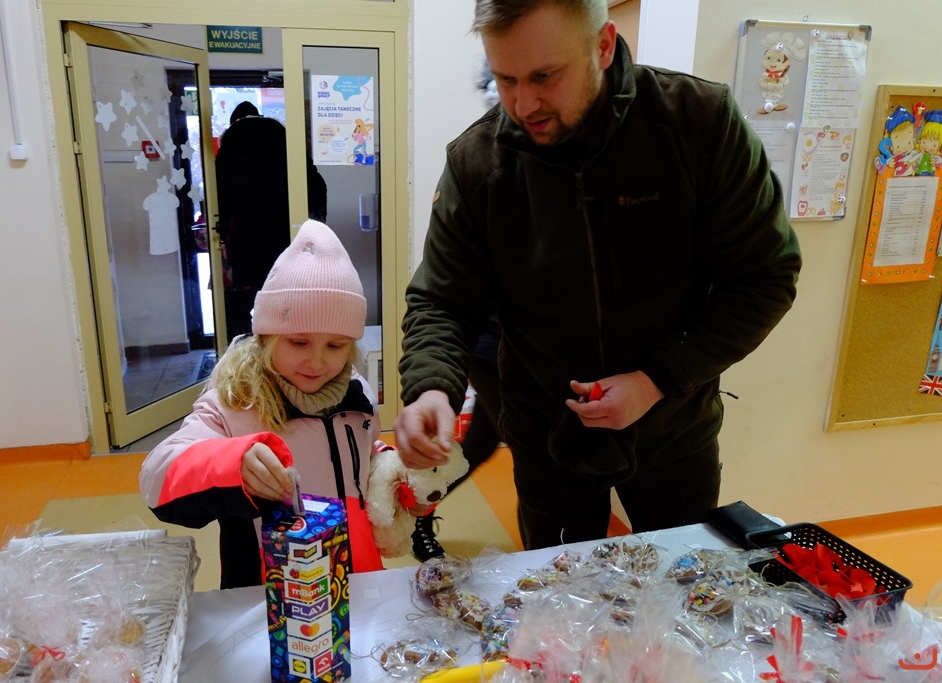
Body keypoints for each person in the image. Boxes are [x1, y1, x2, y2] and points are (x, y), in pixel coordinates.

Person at [394, 0, 802, 552]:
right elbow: (443, 301)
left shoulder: (699, 123)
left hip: (673, 431)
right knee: (554, 592)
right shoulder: (478, 163)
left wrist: (656, 380)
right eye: (505, 79)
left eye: (545, 76)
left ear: (604, 46)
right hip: (546, 437)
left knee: (681, 582)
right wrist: (430, 388)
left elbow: (765, 276)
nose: (523, 104)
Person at [140, 219, 389, 589]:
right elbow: (156, 477)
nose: (317, 361)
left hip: (355, 582)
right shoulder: (233, 402)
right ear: (267, 337)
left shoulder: (358, 394)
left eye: (335, 346)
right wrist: (232, 464)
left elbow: (363, 457)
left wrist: (389, 468)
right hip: (267, 594)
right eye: (299, 343)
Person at [215, 102, 328, 338]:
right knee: (287, 296)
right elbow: (317, 185)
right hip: (286, 234)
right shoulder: (287, 144)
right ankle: (286, 344)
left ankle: (250, 348)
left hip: (246, 238)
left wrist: (222, 231)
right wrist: (316, 224)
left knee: (246, 301)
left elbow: (221, 199)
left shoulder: (228, 152)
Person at [411, 315, 503, 561]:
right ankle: (418, 512)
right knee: (534, 462)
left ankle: (419, 511)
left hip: (498, 350)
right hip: (493, 350)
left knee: (480, 444)